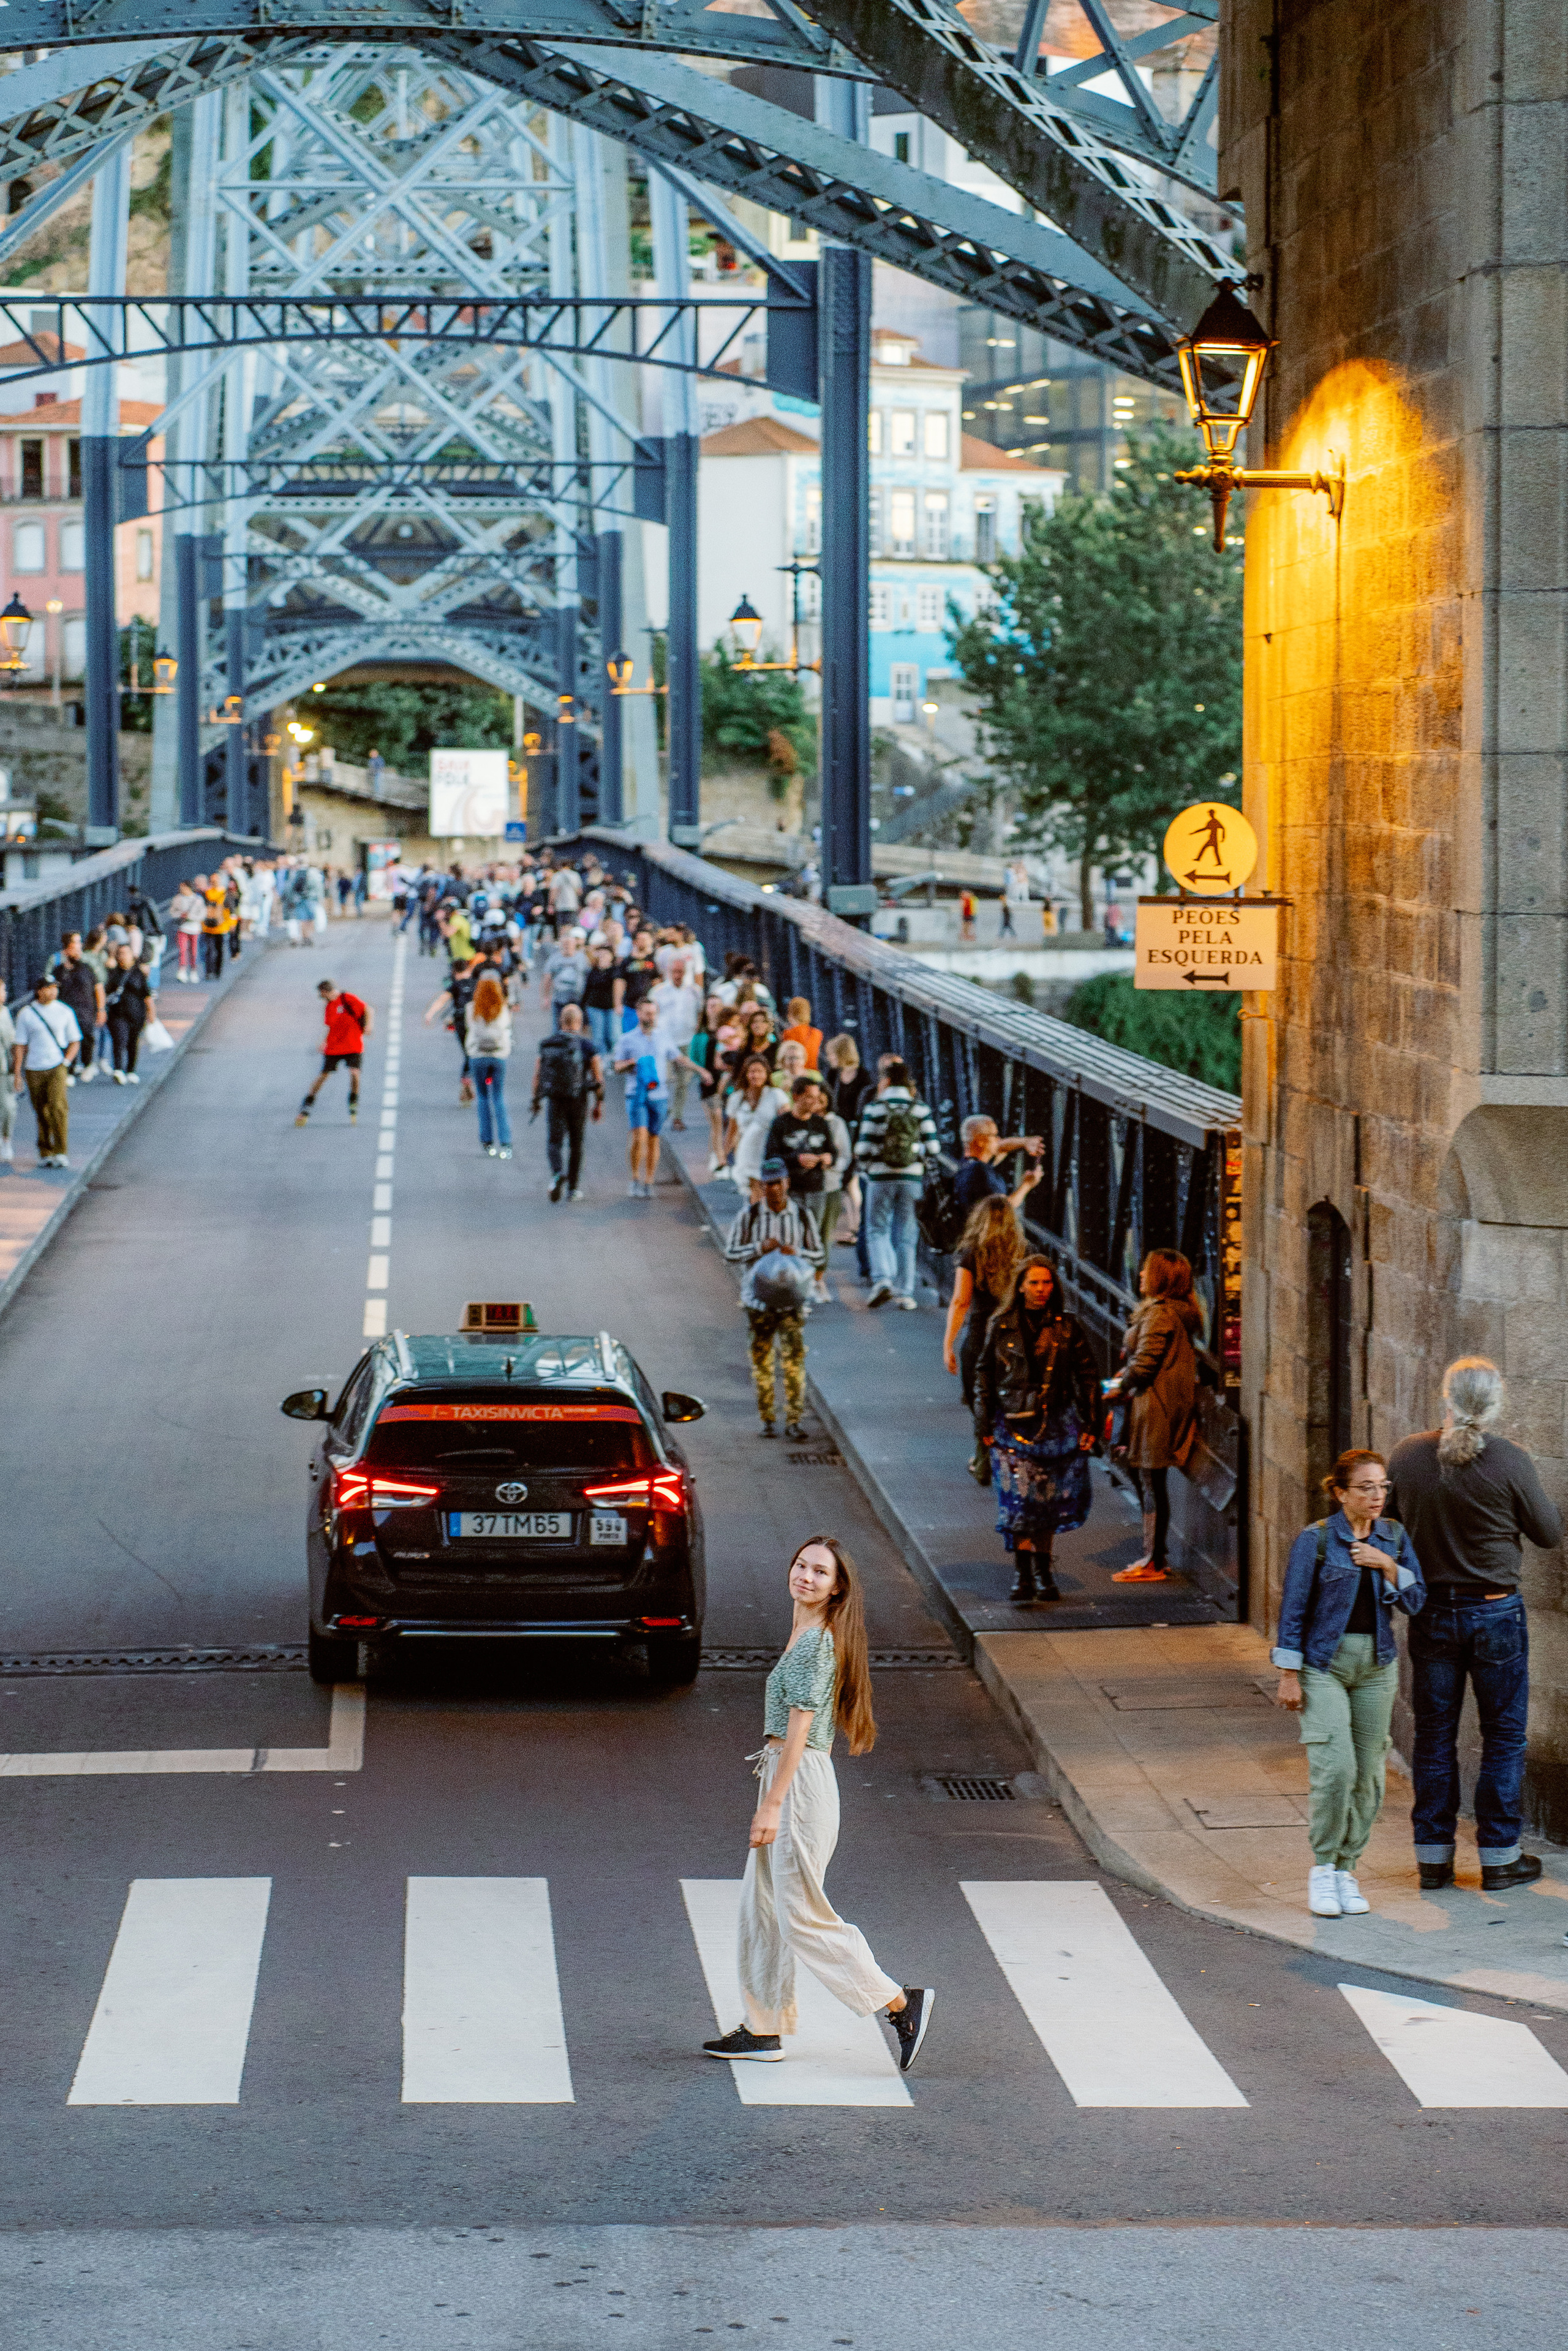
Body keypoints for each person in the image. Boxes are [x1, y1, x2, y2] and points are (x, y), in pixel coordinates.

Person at [701, 1535, 933, 2073]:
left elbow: (801, 1732)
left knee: (801, 1914)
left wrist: (772, 1806)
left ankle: (899, 2002)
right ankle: (764, 2029)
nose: (805, 1576)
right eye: (801, 1566)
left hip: (798, 1785)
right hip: (787, 1776)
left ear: (837, 1589)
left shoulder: (815, 1645)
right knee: (760, 1909)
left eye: (819, 1572)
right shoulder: (804, 1633)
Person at [1388, 1357, 1563, 1893]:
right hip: (1495, 1614)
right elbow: (1549, 1534)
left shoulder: (1409, 1455)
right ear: (1493, 1405)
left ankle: (1434, 1860)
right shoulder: (1510, 1460)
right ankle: (1499, 1858)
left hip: (1432, 1612)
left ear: (1447, 1398)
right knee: (1503, 1738)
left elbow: (1389, 1516)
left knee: (1434, 1737)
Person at [1273, 1449, 1425, 1919]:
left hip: (1378, 1668)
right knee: (1335, 1769)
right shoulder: (1316, 1541)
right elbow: (1294, 1608)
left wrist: (1386, 1565)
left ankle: (1347, 1869)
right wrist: (1288, 1674)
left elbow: (1417, 1599)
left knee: (1370, 1775)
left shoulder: (1393, 1537)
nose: (1377, 1496)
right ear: (1341, 1493)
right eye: (1366, 1488)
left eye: (1383, 1487)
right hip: (1326, 1667)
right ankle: (1322, 1867)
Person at [973, 1254, 1098, 1604]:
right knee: (1018, 1502)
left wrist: (1090, 1421)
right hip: (1011, 1425)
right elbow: (984, 1374)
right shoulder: (1001, 1325)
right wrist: (982, 1420)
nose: (1041, 1289)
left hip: (1056, 1427)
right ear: (1021, 1286)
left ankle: (1043, 1572)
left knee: (1047, 1502)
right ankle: (1024, 1573)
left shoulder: (1067, 1327)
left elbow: (1087, 1375)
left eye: (1047, 1282)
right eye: (1034, 1283)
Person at [1102, 1248, 1203, 1585]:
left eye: (1146, 1271)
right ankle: (1154, 1555)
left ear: (1160, 1277)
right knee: (1150, 1480)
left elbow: (1146, 1363)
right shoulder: (1178, 1313)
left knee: (1150, 1480)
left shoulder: (1160, 1314)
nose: (1140, 1276)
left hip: (1156, 1405)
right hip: (1162, 1401)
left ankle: (1153, 1560)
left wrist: (1120, 1386)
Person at [724, 1160, 824, 1441]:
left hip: (794, 1301)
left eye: (779, 1183)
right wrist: (758, 1248)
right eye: (769, 1184)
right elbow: (730, 1252)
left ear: (787, 1184)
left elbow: (819, 1255)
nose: (775, 1189)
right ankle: (768, 1417)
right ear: (762, 1186)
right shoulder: (750, 1216)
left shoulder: (803, 1215)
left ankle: (794, 1420)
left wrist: (799, 1254)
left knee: (794, 1362)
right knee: (762, 1361)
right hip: (759, 1303)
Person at [944, 1193, 1030, 1463]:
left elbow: (960, 1301)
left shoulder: (970, 1254)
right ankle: (1012, 1453)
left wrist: (948, 1344)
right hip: (1018, 1337)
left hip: (981, 1338)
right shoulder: (1025, 1250)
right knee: (1013, 1398)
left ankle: (984, 1458)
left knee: (980, 1399)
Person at [854, 1055, 938, 1310]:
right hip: (911, 1179)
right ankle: (906, 1292)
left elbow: (862, 1148)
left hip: (880, 1178)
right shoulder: (920, 1109)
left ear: (886, 1080)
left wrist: (869, 1166)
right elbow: (934, 1147)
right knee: (907, 1235)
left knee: (877, 1229)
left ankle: (882, 1280)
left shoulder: (875, 1108)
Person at [612, 995, 698, 1199]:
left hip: (659, 1095)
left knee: (653, 1138)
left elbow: (678, 1058)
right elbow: (617, 1066)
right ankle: (634, 1178)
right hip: (636, 1093)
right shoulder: (627, 1039)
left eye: (653, 1013)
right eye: (646, 1013)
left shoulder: (663, 1037)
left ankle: (649, 1180)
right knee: (639, 1136)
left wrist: (700, 1071)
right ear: (639, 1014)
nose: (650, 1017)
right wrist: (629, 1064)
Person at [766, 1075, 840, 1304]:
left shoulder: (821, 1124)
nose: (813, 1103)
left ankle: (813, 1283)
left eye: (816, 1098)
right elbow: (770, 1157)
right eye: (808, 1098)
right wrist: (797, 1159)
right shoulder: (781, 1124)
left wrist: (828, 1158)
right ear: (796, 1096)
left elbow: (833, 1152)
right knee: (793, 1237)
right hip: (792, 1189)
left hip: (817, 1188)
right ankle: (795, 1287)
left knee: (814, 1238)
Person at [531, 1000, 603, 1202]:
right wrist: (599, 1103)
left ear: (561, 1022)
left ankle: (557, 1172)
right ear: (579, 1023)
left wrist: (536, 1100)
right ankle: (573, 1189)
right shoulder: (588, 1046)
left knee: (554, 1141)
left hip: (555, 1099)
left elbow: (538, 1074)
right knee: (576, 1143)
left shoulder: (548, 1043)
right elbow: (598, 1079)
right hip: (579, 1099)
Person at [12, 972, 80, 1166]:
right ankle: (45, 1151)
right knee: (41, 1110)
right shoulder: (27, 1014)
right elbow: (20, 1046)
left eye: (55, 988)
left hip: (57, 1066)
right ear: (40, 991)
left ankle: (61, 1150)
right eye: (49, 988)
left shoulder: (65, 1012)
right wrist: (18, 1073)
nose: (53, 992)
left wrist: (66, 1062)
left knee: (58, 1107)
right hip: (34, 1068)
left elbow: (75, 1040)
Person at [296, 978, 372, 1125]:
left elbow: (367, 1009)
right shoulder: (329, 1006)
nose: (321, 998)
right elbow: (331, 1026)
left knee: (355, 1073)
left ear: (325, 992)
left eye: (321, 994)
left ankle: (353, 1099)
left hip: (353, 1044)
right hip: (334, 1047)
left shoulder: (348, 998)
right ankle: (308, 1103)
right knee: (323, 1075)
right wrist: (324, 1041)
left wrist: (368, 1026)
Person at [951, 1114, 1044, 1222]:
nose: (999, 1139)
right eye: (995, 1135)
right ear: (980, 1142)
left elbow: (1001, 1147)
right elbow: (1004, 1208)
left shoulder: (968, 1166)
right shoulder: (980, 1173)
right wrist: (1028, 1184)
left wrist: (1025, 1143)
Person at [723, 1053, 791, 1194]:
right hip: (747, 1151)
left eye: (760, 1071)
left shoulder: (776, 1095)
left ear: (766, 1074)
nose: (755, 1076)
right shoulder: (737, 1098)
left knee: (769, 1189)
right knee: (753, 1191)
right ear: (746, 1074)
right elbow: (732, 1130)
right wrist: (723, 1156)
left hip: (769, 1150)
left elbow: (788, 1124)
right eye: (752, 1072)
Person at [465, 972, 514, 1160]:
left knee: (483, 1097)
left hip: (478, 1056)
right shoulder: (503, 1008)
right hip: (498, 1056)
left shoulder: (472, 1008)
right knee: (499, 1096)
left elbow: (470, 1029)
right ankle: (506, 1141)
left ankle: (487, 1141)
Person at [651, 954, 702, 1128]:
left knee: (683, 1081)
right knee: (663, 1078)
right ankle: (662, 1109)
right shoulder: (659, 991)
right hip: (665, 1041)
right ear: (669, 972)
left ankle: (677, 1116)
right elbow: (652, 1013)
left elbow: (700, 1011)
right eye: (674, 972)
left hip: (686, 1040)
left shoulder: (694, 991)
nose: (678, 975)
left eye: (681, 972)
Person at [48, 933, 104, 1088]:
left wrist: (101, 1009)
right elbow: (49, 982)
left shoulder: (87, 964)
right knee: (68, 1039)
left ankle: (87, 1064)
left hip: (85, 1008)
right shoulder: (58, 964)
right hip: (66, 1009)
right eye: (77, 943)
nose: (80, 946)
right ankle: (70, 1069)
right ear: (68, 947)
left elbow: (98, 986)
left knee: (87, 1036)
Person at [103, 944, 155, 1082]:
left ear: (132, 956)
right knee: (120, 1040)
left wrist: (151, 1013)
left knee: (133, 1042)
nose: (123, 956)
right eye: (120, 953)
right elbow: (105, 991)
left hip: (137, 1014)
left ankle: (131, 1070)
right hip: (117, 1014)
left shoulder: (139, 974)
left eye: (126, 953)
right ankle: (119, 1069)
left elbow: (147, 995)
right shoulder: (113, 973)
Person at [581, 943, 620, 1063]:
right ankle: (601, 1061)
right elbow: (587, 990)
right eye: (600, 954)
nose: (602, 957)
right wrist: (582, 1008)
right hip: (595, 1007)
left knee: (613, 1036)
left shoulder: (615, 971)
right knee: (598, 1038)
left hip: (611, 1007)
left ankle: (613, 1059)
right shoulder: (593, 971)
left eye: (605, 954)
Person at [778, 995, 824, 1071]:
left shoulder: (788, 1034)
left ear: (790, 1013)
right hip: (812, 1072)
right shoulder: (818, 1033)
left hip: (796, 1072)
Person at [172, 879, 205, 979]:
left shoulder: (198, 899)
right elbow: (173, 912)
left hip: (195, 928)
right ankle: (182, 970)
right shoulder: (178, 899)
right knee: (182, 949)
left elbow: (203, 914)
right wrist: (180, 915)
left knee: (194, 951)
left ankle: (193, 970)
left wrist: (191, 917)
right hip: (183, 927)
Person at [0, 974, 15, 1170]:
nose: (5, 994)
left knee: (8, 1106)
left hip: (3, 1068)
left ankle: (6, 1140)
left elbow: (12, 1043)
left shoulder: (5, 1013)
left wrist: (15, 1068)